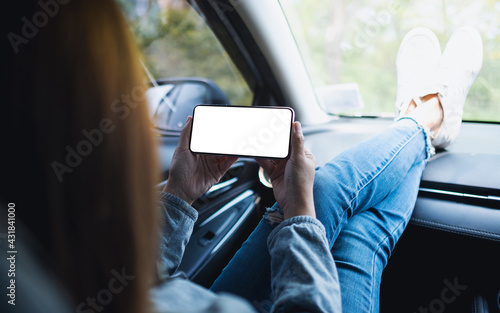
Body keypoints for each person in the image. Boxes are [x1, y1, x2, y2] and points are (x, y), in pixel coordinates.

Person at [1, 0, 483, 312]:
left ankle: (419, 119)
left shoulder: (28, 260)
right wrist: (296, 215)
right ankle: (427, 117)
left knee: (343, 203)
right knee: (344, 212)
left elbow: (143, 283)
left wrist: (180, 196)